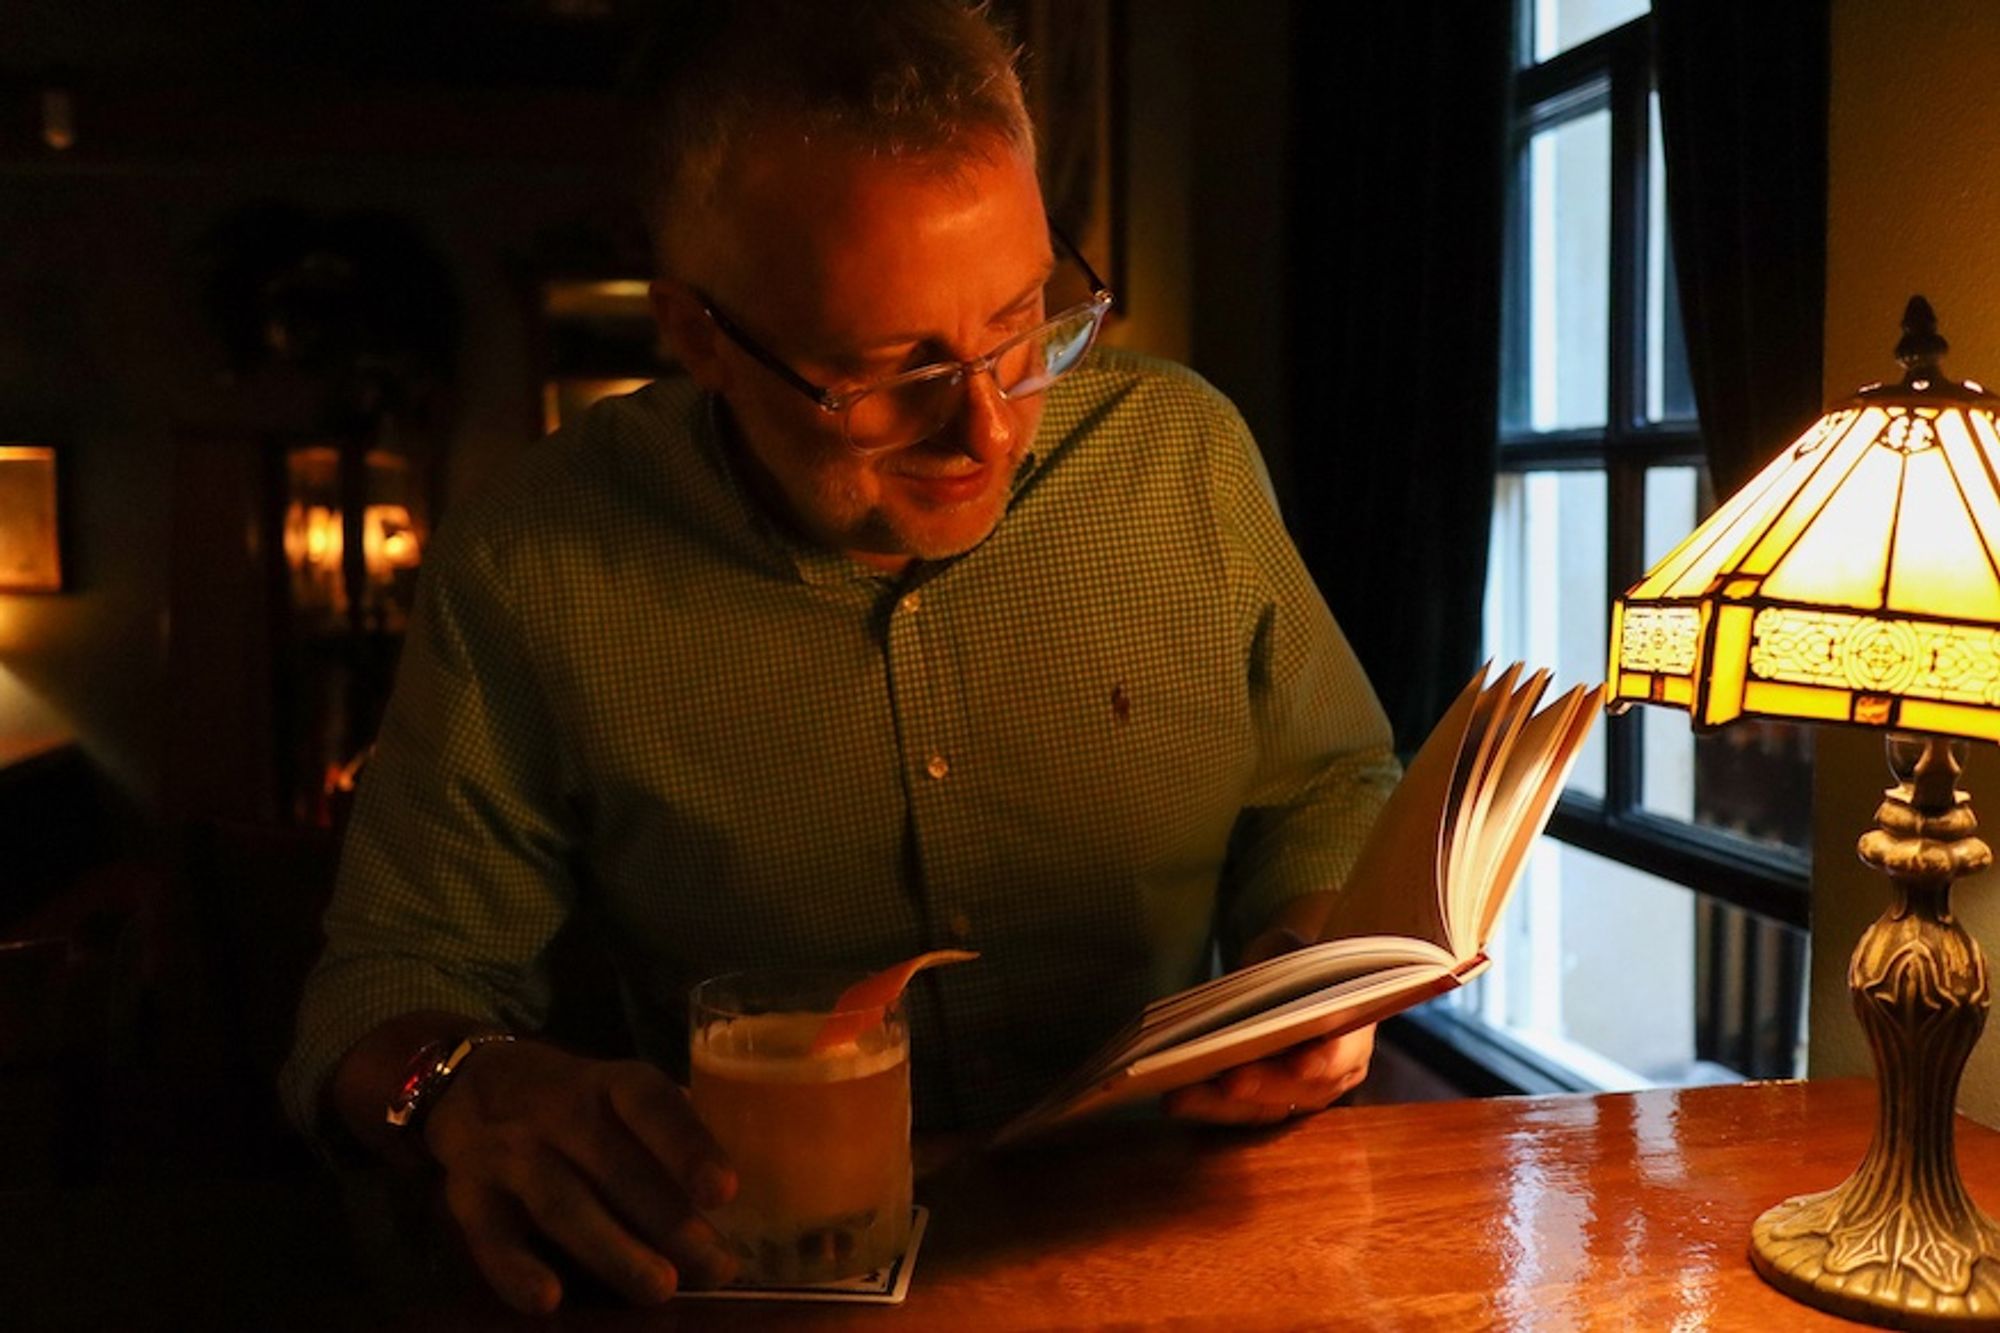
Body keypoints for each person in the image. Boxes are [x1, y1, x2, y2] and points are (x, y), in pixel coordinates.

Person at [280, 0, 1399, 1315]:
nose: (983, 427)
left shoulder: (1181, 460)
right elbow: (386, 985)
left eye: (1021, 320)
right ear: (697, 333)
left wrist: (1315, 952)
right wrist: (462, 1089)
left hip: (1173, 1228)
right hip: (765, 1277)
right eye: (882, 372)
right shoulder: (534, 564)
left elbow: (1329, 779)